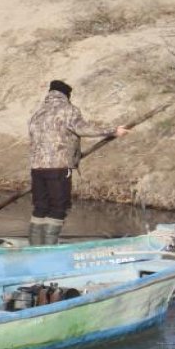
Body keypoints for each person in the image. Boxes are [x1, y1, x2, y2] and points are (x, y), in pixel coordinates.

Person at [27, 80, 129, 246]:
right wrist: (113, 130)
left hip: (37, 168)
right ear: (66, 94)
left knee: (40, 207)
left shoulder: (38, 113)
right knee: (58, 207)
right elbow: (83, 129)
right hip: (58, 167)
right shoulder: (68, 110)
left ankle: (35, 246)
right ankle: (49, 247)